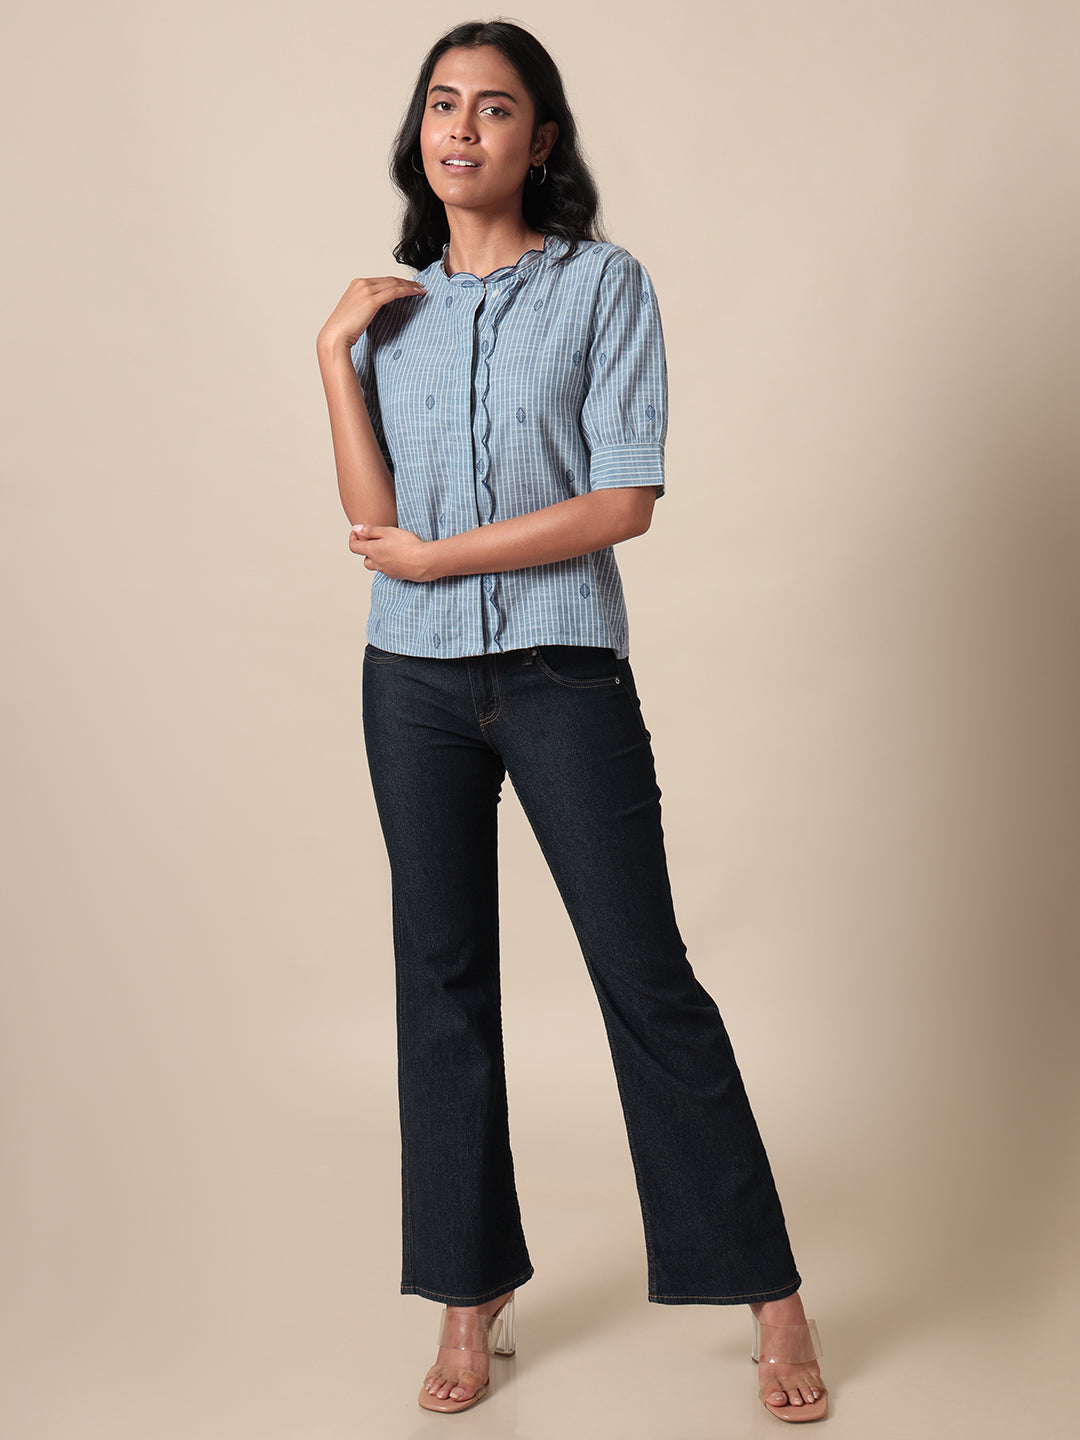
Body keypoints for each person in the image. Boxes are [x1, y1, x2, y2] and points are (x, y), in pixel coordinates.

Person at [317, 18, 829, 1424]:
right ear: (420, 131)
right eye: (442, 103)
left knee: (644, 975)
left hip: (560, 670)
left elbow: (622, 501)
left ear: (541, 140)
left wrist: (441, 559)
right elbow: (370, 520)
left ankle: (769, 1289)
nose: (462, 127)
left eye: (494, 107)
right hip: (410, 681)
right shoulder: (391, 312)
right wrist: (331, 353)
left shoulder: (604, 286)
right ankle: (467, 1290)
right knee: (440, 983)